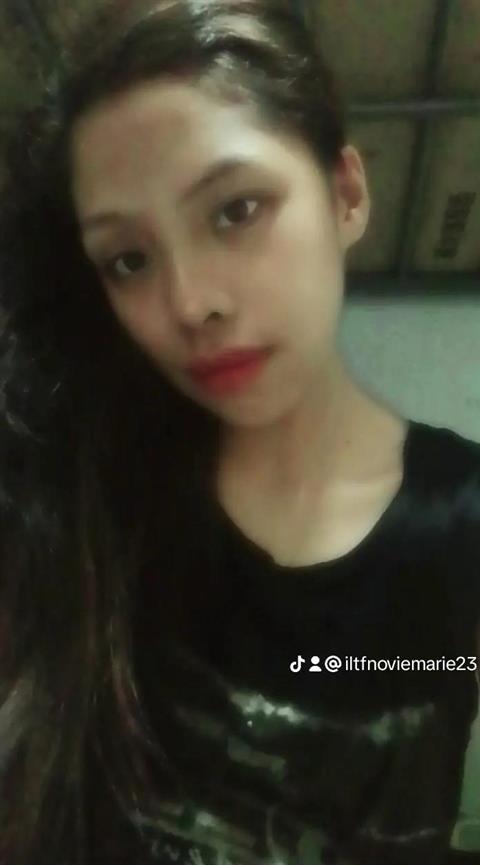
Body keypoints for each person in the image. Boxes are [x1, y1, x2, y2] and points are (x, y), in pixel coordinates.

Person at [0, 1, 479, 863]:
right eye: (129, 259)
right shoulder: (90, 511)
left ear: (346, 194)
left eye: (235, 210)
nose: (190, 303)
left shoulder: (461, 524)